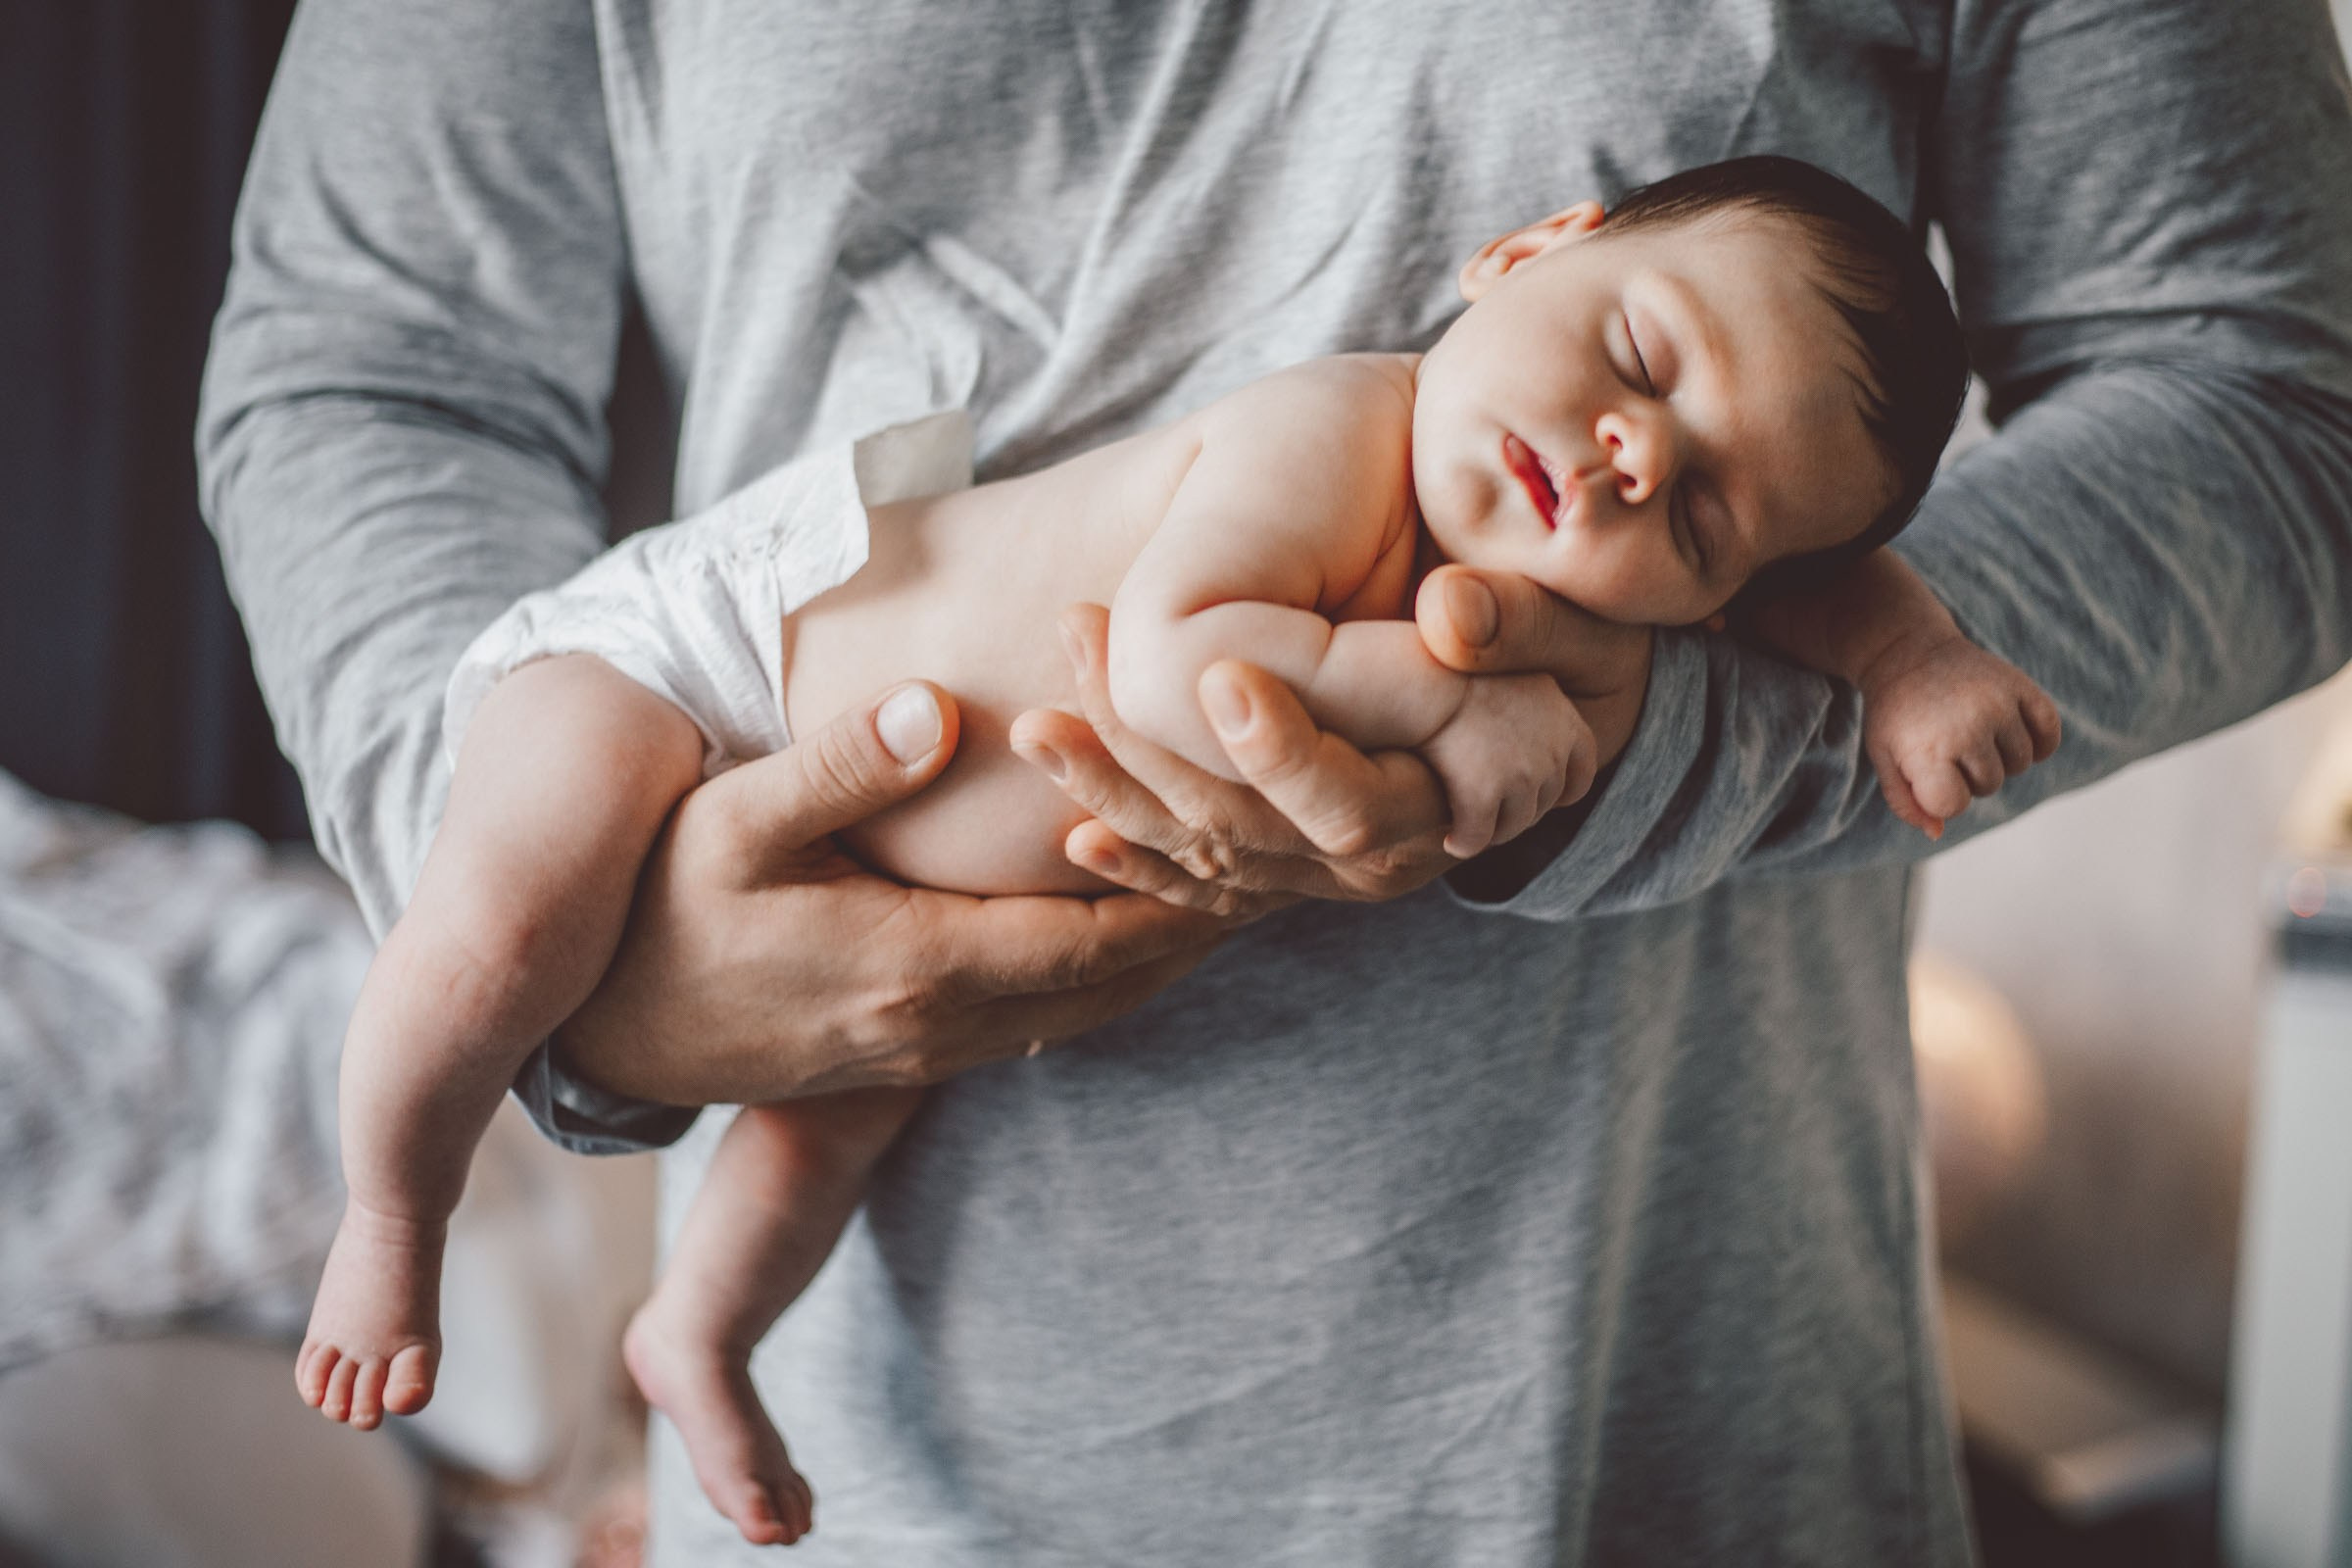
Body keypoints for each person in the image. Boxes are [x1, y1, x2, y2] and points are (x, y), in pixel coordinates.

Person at [199, 2, 2352, 1562]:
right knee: (787, 1049)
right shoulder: (1343, 435)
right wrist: (601, 972)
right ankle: (396, 1207)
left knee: (838, 1107)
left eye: (1689, 522)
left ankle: (688, 1331)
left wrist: (1751, 716)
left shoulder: (1664, 524)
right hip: (896, 1415)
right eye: (1634, 370)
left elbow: (2271, 412)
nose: (1630, 466)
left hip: (1642, 1443)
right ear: (1531, 258)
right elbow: (369, 363)